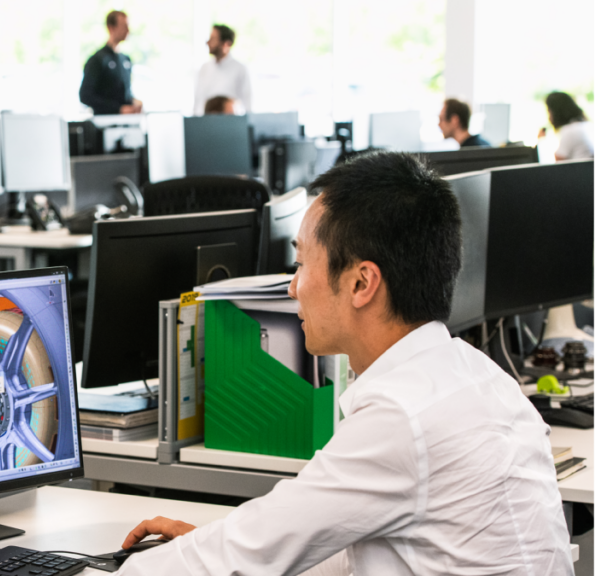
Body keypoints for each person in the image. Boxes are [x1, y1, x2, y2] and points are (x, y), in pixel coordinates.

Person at [115, 152, 572, 575]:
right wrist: (211, 544)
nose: (292, 288)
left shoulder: (401, 416)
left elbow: (254, 549)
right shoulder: (478, 374)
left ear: (361, 283)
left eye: (301, 264)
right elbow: (340, 541)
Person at [79, 10, 142, 115]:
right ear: (111, 28)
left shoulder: (126, 59)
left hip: (127, 121)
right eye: (124, 26)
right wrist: (118, 109)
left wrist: (133, 102)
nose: (128, 30)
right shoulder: (98, 59)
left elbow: (123, 93)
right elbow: (85, 96)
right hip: (105, 121)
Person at [193, 25, 251, 116]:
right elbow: (198, 100)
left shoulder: (240, 69)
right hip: (207, 121)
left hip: (230, 121)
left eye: (213, 39)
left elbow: (247, 102)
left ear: (226, 44)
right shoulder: (205, 68)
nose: (208, 42)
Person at [542, 91, 593, 161]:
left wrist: (542, 141)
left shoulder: (570, 131)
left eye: (548, 111)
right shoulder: (586, 125)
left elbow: (559, 162)